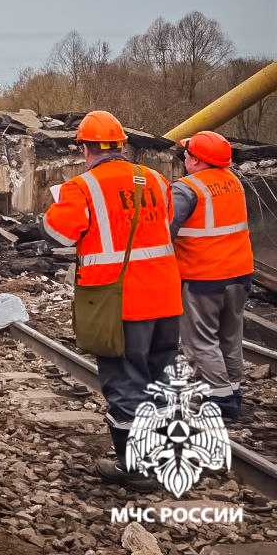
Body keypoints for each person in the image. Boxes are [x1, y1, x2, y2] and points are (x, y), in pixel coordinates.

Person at [42, 110, 182, 489]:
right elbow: (165, 225)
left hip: (120, 302)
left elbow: (58, 233)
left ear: (85, 148)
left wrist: (55, 207)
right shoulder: (157, 179)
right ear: (121, 145)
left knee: (124, 382)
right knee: (160, 377)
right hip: (166, 298)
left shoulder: (82, 187)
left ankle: (135, 468)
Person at [169, 130, 253, 421]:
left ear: (196, 160)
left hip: (203, 276)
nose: (184, 158)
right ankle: (233, 391)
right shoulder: (234, 182)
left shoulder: (186, 189)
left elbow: (164, 232)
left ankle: (220, 400)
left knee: (200, 341)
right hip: (240, 274)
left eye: (186, 154)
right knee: (230, 336)